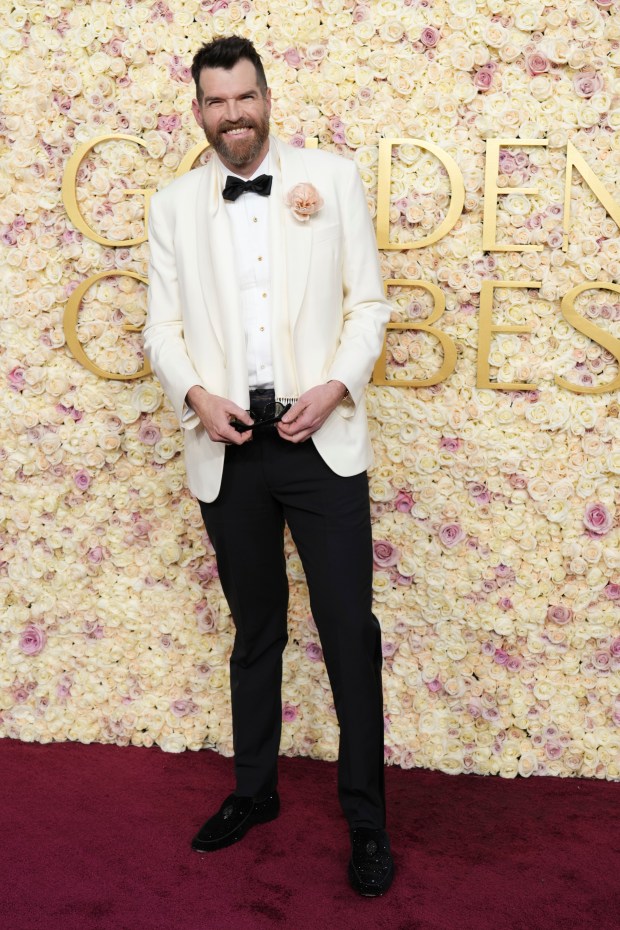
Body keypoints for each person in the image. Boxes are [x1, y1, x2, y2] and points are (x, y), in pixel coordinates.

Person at [144, 35, 393, 897]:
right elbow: (162, 327)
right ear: (199, 110)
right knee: (255, 632)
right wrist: (194, 396)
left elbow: (368, 304)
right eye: (217, 102)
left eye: (245, 97)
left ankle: (366, 821)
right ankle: (255, 793)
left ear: (266, 95)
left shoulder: (336, 180)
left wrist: (334, 385)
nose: (234, 114)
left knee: (348, 636)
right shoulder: (172, 205)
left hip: (319, 441)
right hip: (230, 446)